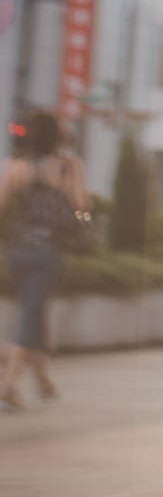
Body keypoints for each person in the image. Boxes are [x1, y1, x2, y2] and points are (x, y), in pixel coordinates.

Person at [1, 111, 88, 410]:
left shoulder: (15, 167)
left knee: (34, 312)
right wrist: (85, 222)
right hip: (49, 251)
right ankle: (9, 385)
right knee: (31, 315)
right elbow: (80, 205)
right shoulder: (69, 167)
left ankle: (43, 382)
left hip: (18, 251)